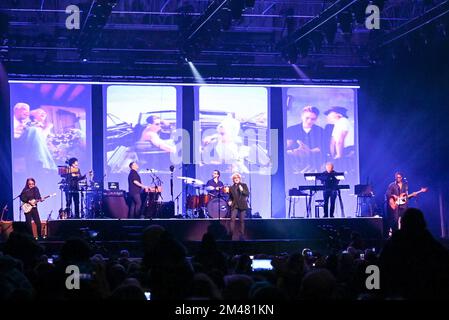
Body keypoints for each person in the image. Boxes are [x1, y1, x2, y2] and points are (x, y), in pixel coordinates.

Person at [286, 106, 325, 173]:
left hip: (314, 164)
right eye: (307, 118)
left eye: (313, 119)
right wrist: (295, 151)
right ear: (302, 116)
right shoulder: (291, 129)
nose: (309, 121)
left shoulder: (320, 131)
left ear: (316, 119)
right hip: (293, 164)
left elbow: (322, 148)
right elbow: (287, 148)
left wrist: (309, 151)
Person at [225, 173, 249, 240]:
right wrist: (229, 201)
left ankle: (241, 235)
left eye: (237, 178)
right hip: (235, 205)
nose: (236, 179)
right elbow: (230, 197)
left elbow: (247, 193)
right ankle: (231, 234)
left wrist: (242, 190)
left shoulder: (244, 185)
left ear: (239, 179)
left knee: (242, 221)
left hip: (242, 205)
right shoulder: (231, 187)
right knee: (232, 220)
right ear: (233, 180)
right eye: (235, 178)